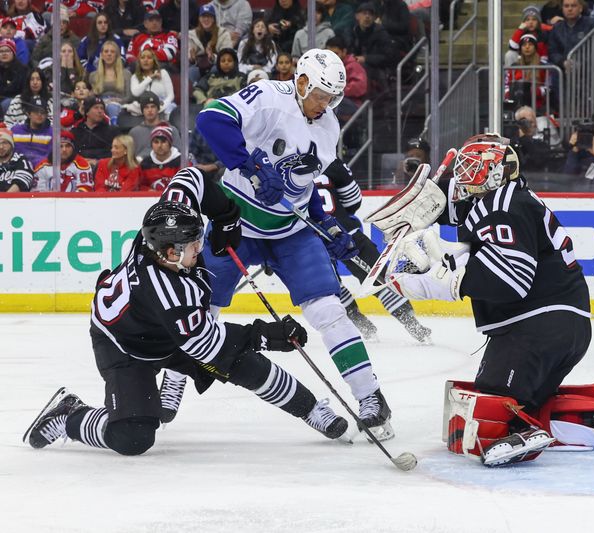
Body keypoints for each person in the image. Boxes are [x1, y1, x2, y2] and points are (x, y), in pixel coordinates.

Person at [23, 176, 349, 455]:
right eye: (195, 244)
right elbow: (210, 346)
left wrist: (225, 218)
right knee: (133, 437)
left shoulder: (164, 229)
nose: (200, 248)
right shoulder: (169, 293)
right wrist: (263, 334)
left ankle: (310, 409)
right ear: (170, 252)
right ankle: (69, 415)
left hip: (163, 330)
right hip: (123, 347)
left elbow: (190, 177)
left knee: (241, 364)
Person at [195, 48, 395, 440]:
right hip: (238, 225)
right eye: (321, 95)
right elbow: (211, 119)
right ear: (301, 81)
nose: (326, 105)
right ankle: (173, 385)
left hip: (292, 232)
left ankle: (371, 397)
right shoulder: (269, 96)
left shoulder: (328, 127)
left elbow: (305, 189)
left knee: (328, 310)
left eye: (333, 98)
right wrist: (250, 166)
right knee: (203, 308)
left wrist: (328, 226)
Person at [370, 134, 593, 466]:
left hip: (540, 327)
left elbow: (511, 281)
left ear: (496, 172)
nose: (464, 178)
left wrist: (439, 283)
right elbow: (465, 222)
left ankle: (525, 435)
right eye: (463, 169)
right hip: (559, 325)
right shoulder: (501, 200)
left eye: (474, 170)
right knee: (516, 403)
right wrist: (428, 208)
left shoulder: (502, 207)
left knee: (490, 414)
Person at [316, 158, 432, 342]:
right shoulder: (331, 161)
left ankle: (363, 326)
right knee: (378, 277)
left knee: (331, 288)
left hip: (310, 240)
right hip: (346, 233)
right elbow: (353, 200)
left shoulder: (282, 165)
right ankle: (412, 324)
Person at [88, 40, 132, 125]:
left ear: (117, 55)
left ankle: (113, 126)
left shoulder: (126, 74)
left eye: (112, 52)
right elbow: (92, 96)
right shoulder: (93, 75)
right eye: (106, 51)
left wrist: (120, 101)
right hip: (101, 106)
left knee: (112, 107)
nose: (109, 54)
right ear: (101, 55)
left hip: (120, 105)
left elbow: (130, 96)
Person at [188, 3, 234, 83]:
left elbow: (228, 54)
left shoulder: (223, 33)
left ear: (213, 19)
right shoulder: (191, 35)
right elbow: (188, 55)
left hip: (217, 64)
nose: (206, 19)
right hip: (198, 64)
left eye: (209, 17)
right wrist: (192, 58)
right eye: (203, 17)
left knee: (215, 70)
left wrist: (213, 57)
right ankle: (196, 91)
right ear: (199, 19)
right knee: (191, 71)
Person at [129, 91, 181, 160]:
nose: (150, 110)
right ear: (142, 110)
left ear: (158, 109)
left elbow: (178, 154)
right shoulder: (134, 132)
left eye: (153, 107)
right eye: (146, 107)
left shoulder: (171, 130)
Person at [72, 95, 121, 166]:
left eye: (102, 108)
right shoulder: (76, 132)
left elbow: (117, 153)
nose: (100, 111)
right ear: (87, 112)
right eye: (96, 108)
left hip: (105, 167)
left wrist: (98, 162)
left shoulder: (113, 131)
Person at [548, 0, 594, 70]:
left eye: (573, 6)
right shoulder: (556, 28)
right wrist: (563, 62)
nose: (570, 9)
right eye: (566, 6)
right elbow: (553, 52)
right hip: (564, 74)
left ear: (580, 8)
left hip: (588, 73)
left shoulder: (591, 25)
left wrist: (579, 64)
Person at [326, 35, 367, 118]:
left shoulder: (353, 66)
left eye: (336, 53)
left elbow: (360, 87)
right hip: (338, 100)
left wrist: (337, 90)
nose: (333, 57)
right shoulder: (328, 67)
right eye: (330, 54)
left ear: (344, 51)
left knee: (333, 104)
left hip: (353, 104)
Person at [127, 48, 175, 117]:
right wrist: (150, 78)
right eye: (142, 57)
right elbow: (136, 93)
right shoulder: (135, 77)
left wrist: (162, 105)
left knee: (171, 107)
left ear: (154, 61)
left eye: (149, 58)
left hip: (163, 106)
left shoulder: (163, 73)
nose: (146, 60)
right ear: (139, 61)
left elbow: (171, 96)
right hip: (145, 108)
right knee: (131, 107)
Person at [509, 105, 552, 174]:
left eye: (534, 121)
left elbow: (538, 161)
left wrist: (525, 138)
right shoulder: (512, 143)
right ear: (519, 123)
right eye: (529, 122)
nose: (534, 125)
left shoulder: (541, 144)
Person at [10, 96, 52, 166]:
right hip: (17, 168)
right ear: (28, 114)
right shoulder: (15, 131)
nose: (39, 115)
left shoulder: (52, 132)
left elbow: (51, 157)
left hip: (42, 169)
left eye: (43, 112)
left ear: (46, 115)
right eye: (36, 111)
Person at [139, 122, 182, 190]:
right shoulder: (145, 164)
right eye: (156, 142)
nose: (159, 145)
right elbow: (139, 185)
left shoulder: (182, 162)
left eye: (163, 142)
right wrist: (147, 190)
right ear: (151, 144)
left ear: (170, 144)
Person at [0, 126, 34, 192]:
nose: (1, 147)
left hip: (15, 201)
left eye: (4, 143)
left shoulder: (21, 160)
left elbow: (21, 183)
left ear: (11, 144)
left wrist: (4, 200)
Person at [0, 38, 27, 114]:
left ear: (13, 53)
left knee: (6, 103)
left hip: (15, 101)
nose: (4, 54)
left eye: (7, 51)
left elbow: (22, 90)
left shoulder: (22, 70)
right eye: (1, 51)